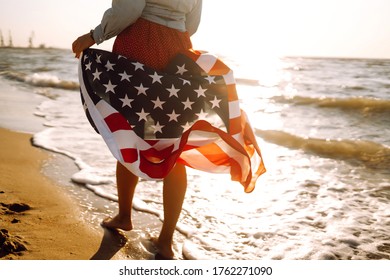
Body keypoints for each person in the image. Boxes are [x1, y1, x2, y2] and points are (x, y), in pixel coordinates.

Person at [73, 0, 265, 260]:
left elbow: (129, 9)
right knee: (175, 142)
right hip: (179, 50)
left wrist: (94, 35)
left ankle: (124, 215)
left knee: (131, 132)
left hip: (139, 43)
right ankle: (166, 240)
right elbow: (192, 23)